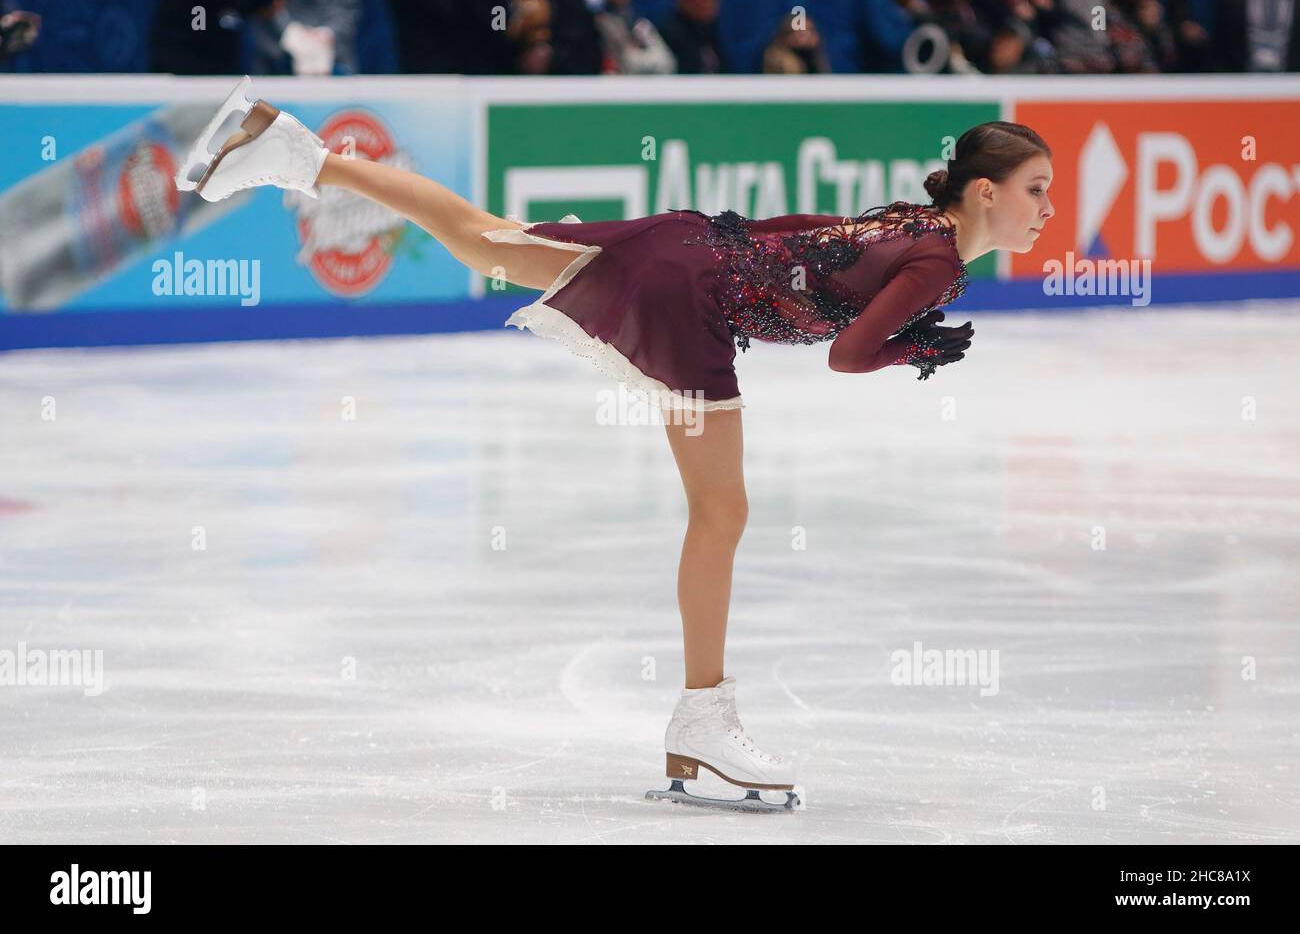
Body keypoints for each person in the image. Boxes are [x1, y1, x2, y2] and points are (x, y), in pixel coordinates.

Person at [176, 80, 1054, 812]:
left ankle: (299, 153)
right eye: (1036, 191)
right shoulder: (939, 263)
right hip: (699, 302)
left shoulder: (913, 224)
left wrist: (730, 247)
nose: (1046, 210)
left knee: (490, 238)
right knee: (722, 510)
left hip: (692, 249)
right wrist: (917, 346)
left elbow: (801, 235)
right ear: (985, 192)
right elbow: (849, 352)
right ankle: (703, 720)